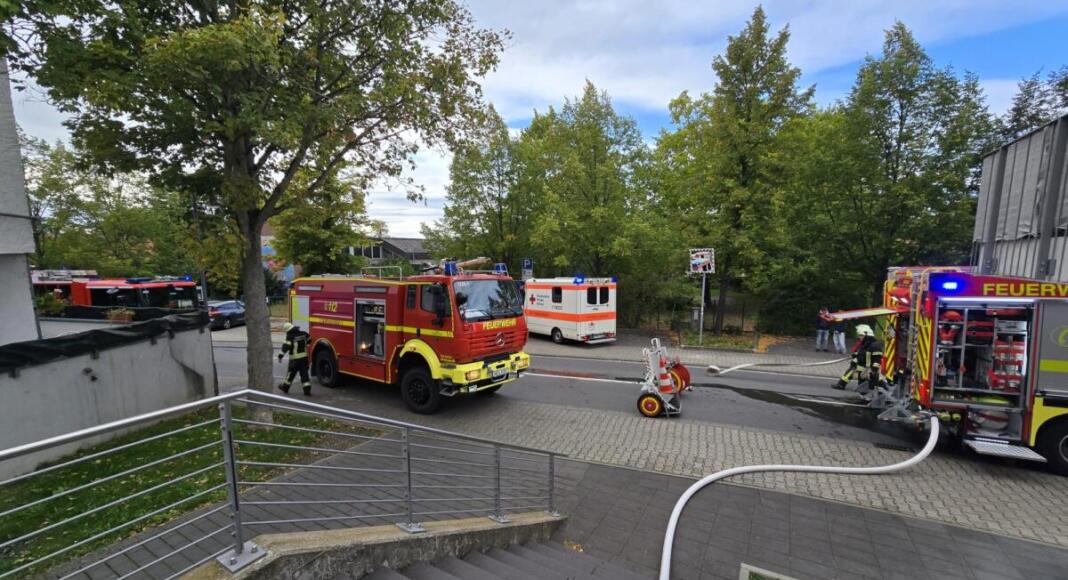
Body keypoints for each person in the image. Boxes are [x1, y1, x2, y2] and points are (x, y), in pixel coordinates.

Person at [833, 323, 883, 392]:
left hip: (869, 369)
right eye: (860, 335)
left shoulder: (875, 345)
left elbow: (877, 360)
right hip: (862, 366)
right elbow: (861, 354)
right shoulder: (864, 344)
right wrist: (855, 356)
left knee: (872, 385)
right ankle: (841, 384)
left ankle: (882, 388)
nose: (860, 337)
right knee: (851, 371)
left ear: (867, 335)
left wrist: (873, 370)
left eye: (861, 335)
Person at [278, 322, 311, 396]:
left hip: (294, 360)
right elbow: (309, 338)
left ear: (288, 330)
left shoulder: (290, 337)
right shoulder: (303, 333)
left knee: (290, 375)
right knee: (304, 374)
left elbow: (285, 347)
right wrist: (307, 344)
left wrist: (280, 356)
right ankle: (307, 390)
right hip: (304, 359)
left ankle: (285, 388)